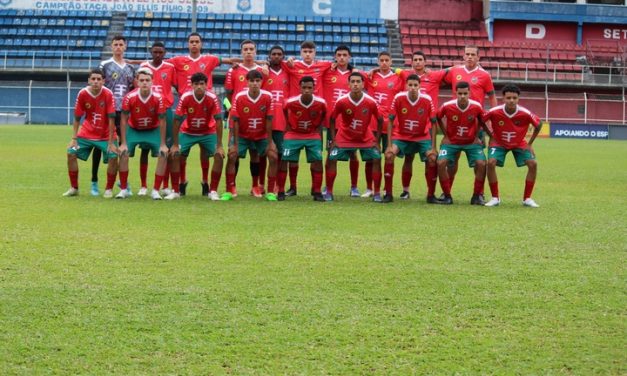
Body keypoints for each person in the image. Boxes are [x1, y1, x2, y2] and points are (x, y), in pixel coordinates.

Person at [167, 32, 240, 196]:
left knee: (209, 153)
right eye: (191, 41)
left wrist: (242, 63)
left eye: (196, 41)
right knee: (179, 154)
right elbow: (159, 64)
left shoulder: (209, 60)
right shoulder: (179, 61)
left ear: (201, 44)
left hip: (207, 119)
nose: (194, 44)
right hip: (188, 114)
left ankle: (208, 185)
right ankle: (179, 185)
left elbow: (227, 61)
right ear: (188, 44)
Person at [280, 41, 334, 195]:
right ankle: (292, 187)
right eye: (305, 51)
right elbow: (273, 62)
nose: (308, 54)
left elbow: (341, 64)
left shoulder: (324, 65)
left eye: (310, 51)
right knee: (291, 157)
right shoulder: (292, 65)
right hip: (297, 112)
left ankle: (315, 189)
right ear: (300, 52)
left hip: (315, 116)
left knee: (316, 156)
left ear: (315, 52)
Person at [444, 45, 498, 191]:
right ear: (463, 56)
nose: (469, 57)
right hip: (454, 121)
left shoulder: (485, 75)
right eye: (467, 54)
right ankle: (447, 192)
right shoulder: (455, 71)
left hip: (476, 123)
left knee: (478, 161)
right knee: (452, 160)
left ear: (478, 57)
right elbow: (436, 77)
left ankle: (478, 193)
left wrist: (492, 120)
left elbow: (492, 97)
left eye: (473, 55)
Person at [396, 51, 448, 199]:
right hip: (410, 124)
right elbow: (392, 69)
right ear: (411, 62)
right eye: (415, 60)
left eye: (420, 60)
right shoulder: (406, 75)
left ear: (425, 62)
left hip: (427, 125)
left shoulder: (434, 76)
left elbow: (451, 70)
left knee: (430, 159)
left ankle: (429, 192)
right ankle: (405, 190)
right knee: (408, 158)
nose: (418, 62)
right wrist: (374, 70)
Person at [481, 84, 542, 208]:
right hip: (498, 142)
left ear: (518, 99)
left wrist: (530, 144)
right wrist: (490, 135)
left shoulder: (525, 113)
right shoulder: (494, 111)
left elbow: (539, 124)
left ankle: (527, 198)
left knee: (533, 164)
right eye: (508, 98)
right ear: (503, 98)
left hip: (519, 142)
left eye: (514, 98)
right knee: (491, 162)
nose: (511, 100)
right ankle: (495, 198)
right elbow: (481, 120)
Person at [326, 72, 383, 202]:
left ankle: (377, 193)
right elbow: (332, 119)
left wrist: (377, 140)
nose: (355, 84)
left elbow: (380, 120)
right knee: (331, 158)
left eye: (358, 82)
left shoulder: (370, 102)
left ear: (363, 84)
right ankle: (329, 191)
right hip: (344, 136)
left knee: (377, 158)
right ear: (349, 84)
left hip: (365, 136)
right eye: (353, 82)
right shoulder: (342, 101)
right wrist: (334, 140)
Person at [223, 70, 278, 201]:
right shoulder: (239, 97)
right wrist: (235, 144)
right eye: (252, 81)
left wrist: (270, 142)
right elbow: (235, 121)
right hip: (242, 135)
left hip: (261, 135)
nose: (255, 83)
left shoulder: (268, 96)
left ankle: (268, 191)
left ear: (261, 82)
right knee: (232, 155)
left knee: (273, 156)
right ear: (247, 82)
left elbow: (269, 120)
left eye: (257, 81)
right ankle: (229, 190)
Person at [383, 74, 438, 203]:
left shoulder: (426, 99)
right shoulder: (399, 97)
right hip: (401, 135)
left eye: (415, 85)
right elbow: (390, 121)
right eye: (410, 85)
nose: (413, 88)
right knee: (389, 156)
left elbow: (434, 122)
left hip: (422, 136)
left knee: (432, 159)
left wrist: (434, 148)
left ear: (419, 86)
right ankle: (389, 194)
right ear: (406, 85)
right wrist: (389, 145)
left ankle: (431, 195)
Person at [90, 35, 135, 196]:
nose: (118, 47)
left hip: (123, 112)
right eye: (115, 44)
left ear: (125, 46)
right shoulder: (105, 65)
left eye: (121, 44)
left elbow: (132, 90)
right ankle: (94, 181)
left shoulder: (130, 68)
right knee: (99, 145)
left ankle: (122, 183)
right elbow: (97, 86)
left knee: (122, 147)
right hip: (107, 111)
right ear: (111, 46)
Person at [63, 69, 118, 198]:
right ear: (88, 80)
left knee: (114, 156)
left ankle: (108, 189)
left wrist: (111, 142)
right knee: (71, 152)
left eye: (99, 79)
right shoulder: (82, 93)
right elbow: (77, 118)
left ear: (103, 81)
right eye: (93, 79)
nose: (95, 82)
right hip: (86, 133)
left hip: (105, 135)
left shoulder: (108, 94)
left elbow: (111, 119)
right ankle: (74, 188)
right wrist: (74, 138)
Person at [170, 72, 225, 200]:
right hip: (188, 132)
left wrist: (220, 145)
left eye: (202, 84)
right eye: (196, 84)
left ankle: (213, 191)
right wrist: (175, 144)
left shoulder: (212, 97)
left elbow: (218, 120)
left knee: (219, 156)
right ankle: (176, 190)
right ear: (191, 85)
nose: (199, 86)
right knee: (174, 155)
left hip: (208, 132)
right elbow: (177, 120)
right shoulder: (185, 97)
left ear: (206, 85)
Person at [115, 68, 168, 200]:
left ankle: (155, 190)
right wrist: (123, 143)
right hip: (134, 130)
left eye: (147, 80)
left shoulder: (159, 98)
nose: (144, 83)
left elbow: (162, 120)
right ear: (137, 82)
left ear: (152, 82)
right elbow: (123, 119)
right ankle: (123, 189)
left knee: (163, 153)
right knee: (123, 153)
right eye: (142, 80)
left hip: (153, 130)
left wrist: (163, 144)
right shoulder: (129, 97)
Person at [224, 40, 266, 198]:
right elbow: (226, 96)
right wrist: (229, 108)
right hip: (236, 119)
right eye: (245, 49)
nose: (248, 52)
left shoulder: (262, 70)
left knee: (255, 153)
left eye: (251, 49)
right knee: (233, 152)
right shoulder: (233, 70)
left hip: (255, 119)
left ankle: (255, 186)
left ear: (255, 51)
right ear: (241, 52)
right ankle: (231, 186)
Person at [436, 81, 489, 205]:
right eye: (460, 93)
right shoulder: (447, 105)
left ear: (469, 93)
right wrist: (445, 135)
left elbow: (483, 120)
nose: (463, 96)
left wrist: (477, 136)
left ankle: (477, 196)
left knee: (481, 163)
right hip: (451, 142)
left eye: (465, 93)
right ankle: (447, 195)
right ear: (456, 93)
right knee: (441, 162)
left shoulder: (476, 106)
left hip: (471, 142)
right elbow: (438, 117)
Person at [279, 76, 327, 201]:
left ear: (313, 89)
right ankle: (282, 190)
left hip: (312, 134)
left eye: (309, 88)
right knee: (285, 159)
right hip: (294, 133)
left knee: (318, 160)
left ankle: (316, 191)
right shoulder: (291, 102)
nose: (306, 90)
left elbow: (325, 114)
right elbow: (284, 110)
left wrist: (318, 127)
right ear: (299, 88)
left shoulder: (320, 103)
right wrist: (289, 125)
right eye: (304, 87)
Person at [322, 45, 361, 197]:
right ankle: (327, 186)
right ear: (335, 57)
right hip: (333, 122)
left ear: (349, 57)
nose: (342, 58)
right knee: (331, 154)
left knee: (353, 154)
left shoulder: (355, 74)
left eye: (345, 55)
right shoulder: (327, 72)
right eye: (339, 55)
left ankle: (354, 187)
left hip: (350, 123)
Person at [363, 51, 403, 198]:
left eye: (387, 60)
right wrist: (370, 71)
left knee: (389, 156)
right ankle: (369, 188)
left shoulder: (398, 78)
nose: (384, 63)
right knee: (371, 157)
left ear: (391, 62)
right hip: (372, 124)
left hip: (391, 125)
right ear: (378, 61)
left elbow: (411, 76)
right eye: (381, 60)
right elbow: (354, 74)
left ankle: (387, 189)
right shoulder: (371, 76)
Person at [139, 42, 176, 196]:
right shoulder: (143, 66)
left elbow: (177, 86)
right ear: (151, 52)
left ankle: (165, 185)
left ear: (164, 53)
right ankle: (143, 185)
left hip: (165, 109)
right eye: (155, 52)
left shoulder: (170, 68)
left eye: (160, 52)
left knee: (166, 147)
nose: (158, 55)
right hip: (147, 109)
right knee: (145, 147)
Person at [263, 45, 294, 195]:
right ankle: (261, 185)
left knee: (282, 155)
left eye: (279, 54)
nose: (276, 56)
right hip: (265, 121)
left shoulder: (288, 71)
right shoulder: (263, 71)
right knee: (263, 154)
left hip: (283, 122)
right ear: (269, 56)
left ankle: (278, 185)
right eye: (273, 54)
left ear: (283, 56)